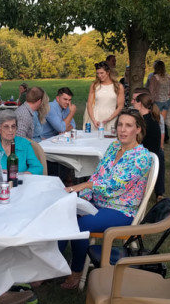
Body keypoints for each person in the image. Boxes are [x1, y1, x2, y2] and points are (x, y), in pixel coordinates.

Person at [59, 108, 152, 289]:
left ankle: (76, 271)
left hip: (122, 210)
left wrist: (85, 186)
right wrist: (78, 195)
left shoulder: (141, 157)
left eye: (129, 126)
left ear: (138, 129)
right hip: (99, 202)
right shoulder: (114, 147)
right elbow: (97, 176)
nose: (123, 130)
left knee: (81, 225)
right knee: (64, 212)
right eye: (120, 125)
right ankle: (54, 265)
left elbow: (116, 186)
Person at [0, 109, 44, 175]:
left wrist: (19, 175)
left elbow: (38, 168)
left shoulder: (24, 144)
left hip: (20, 183)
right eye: (6, 126)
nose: (11, 130)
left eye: (13, 126)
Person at [132, 91, 166, 200]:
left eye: (135, 102)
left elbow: (136, 141)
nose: (133, 103)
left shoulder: (143, 122)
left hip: (145, 156)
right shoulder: (153, 117)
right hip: (153, 154)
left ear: (140, 104)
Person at [84, 60, 125, 132]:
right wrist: (93, 120)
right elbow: (89, 104)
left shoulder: (118, 86)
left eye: (102, 73)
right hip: (96, 116)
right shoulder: (94, 85)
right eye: (98, 73)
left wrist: (109, 119)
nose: (99, 75)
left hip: (111, 116)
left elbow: (120, 106)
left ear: (108, 72)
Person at [147, 60, 170, 144]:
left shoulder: (154, 78)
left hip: (157, 101)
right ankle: (162, 141)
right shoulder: (168, 76)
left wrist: (150, 100)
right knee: (162, 123)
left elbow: (151, 90)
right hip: (166, 101)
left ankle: (156, 140)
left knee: (156, 122)